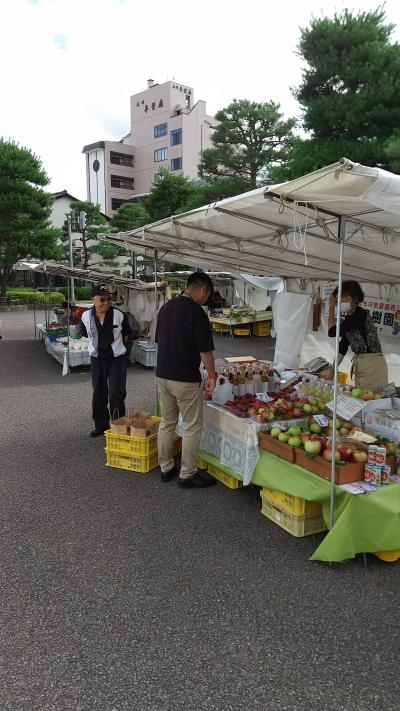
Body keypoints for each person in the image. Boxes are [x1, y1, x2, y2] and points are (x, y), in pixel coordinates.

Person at [155, 271, 217, 488]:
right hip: (185, 379)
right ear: (203, 289)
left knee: (167, 422)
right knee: (191, 426)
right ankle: (187, 474)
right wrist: (212, 374)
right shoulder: (196, 312)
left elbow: (159, 344)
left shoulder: (166, 308)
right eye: (207, 295)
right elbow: (205, 351)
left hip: (163, 375)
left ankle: (165, 467)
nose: (206, 299)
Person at [81, 285, 134, 437]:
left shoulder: (119, 314)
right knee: (99, 392)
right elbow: (87, 334)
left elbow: (126, 335)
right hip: (97, 360)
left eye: (109, 299)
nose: (106, 303)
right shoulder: (85, 316)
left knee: (116, 394)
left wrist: (121, 351)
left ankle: (118, 427)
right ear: (93, 299)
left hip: (116, 360)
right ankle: (101, 425)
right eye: (102, 300)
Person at [326, 280, 388, 389]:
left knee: (370, 401)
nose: (338, 302)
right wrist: (332, 371)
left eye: (342, 298)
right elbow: (342, 347)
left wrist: (331, 308)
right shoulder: (349, 319)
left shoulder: (360, 315)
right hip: (363, 365)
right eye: (337, 299)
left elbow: (331, 332)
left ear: (355, 298)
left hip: (372, 366)